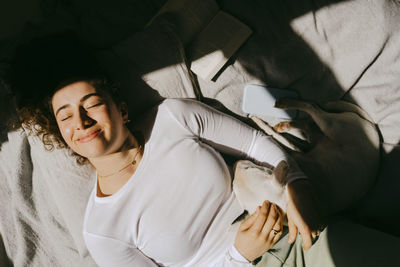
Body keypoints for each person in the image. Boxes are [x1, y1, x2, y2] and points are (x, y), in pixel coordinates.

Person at [10, 32, 322, 266]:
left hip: (296, 233)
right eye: (65, 116)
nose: (80, 120)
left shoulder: (173, 117)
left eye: (92, 104)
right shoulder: (102, 231)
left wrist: (299, 186)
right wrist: (239, 256)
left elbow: (255, 144)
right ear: (62, 135)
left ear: (121, 109)